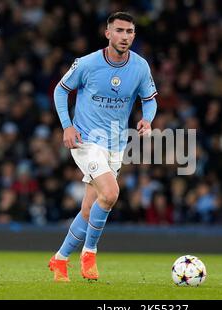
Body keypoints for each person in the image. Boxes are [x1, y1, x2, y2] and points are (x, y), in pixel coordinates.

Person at [49, 12, 158, 282]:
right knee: (110, 193)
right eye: (119, 31)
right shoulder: (87, 64)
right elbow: (60, 90)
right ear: (107, 33)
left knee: (89, 210)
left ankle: (59, 259)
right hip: (86, 140)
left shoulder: (140, 67)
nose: (125, 36)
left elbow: (150, 99)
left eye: (130, 31)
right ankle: (90, 254)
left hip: (116, 143)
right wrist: (67, 125)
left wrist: (147, 119)